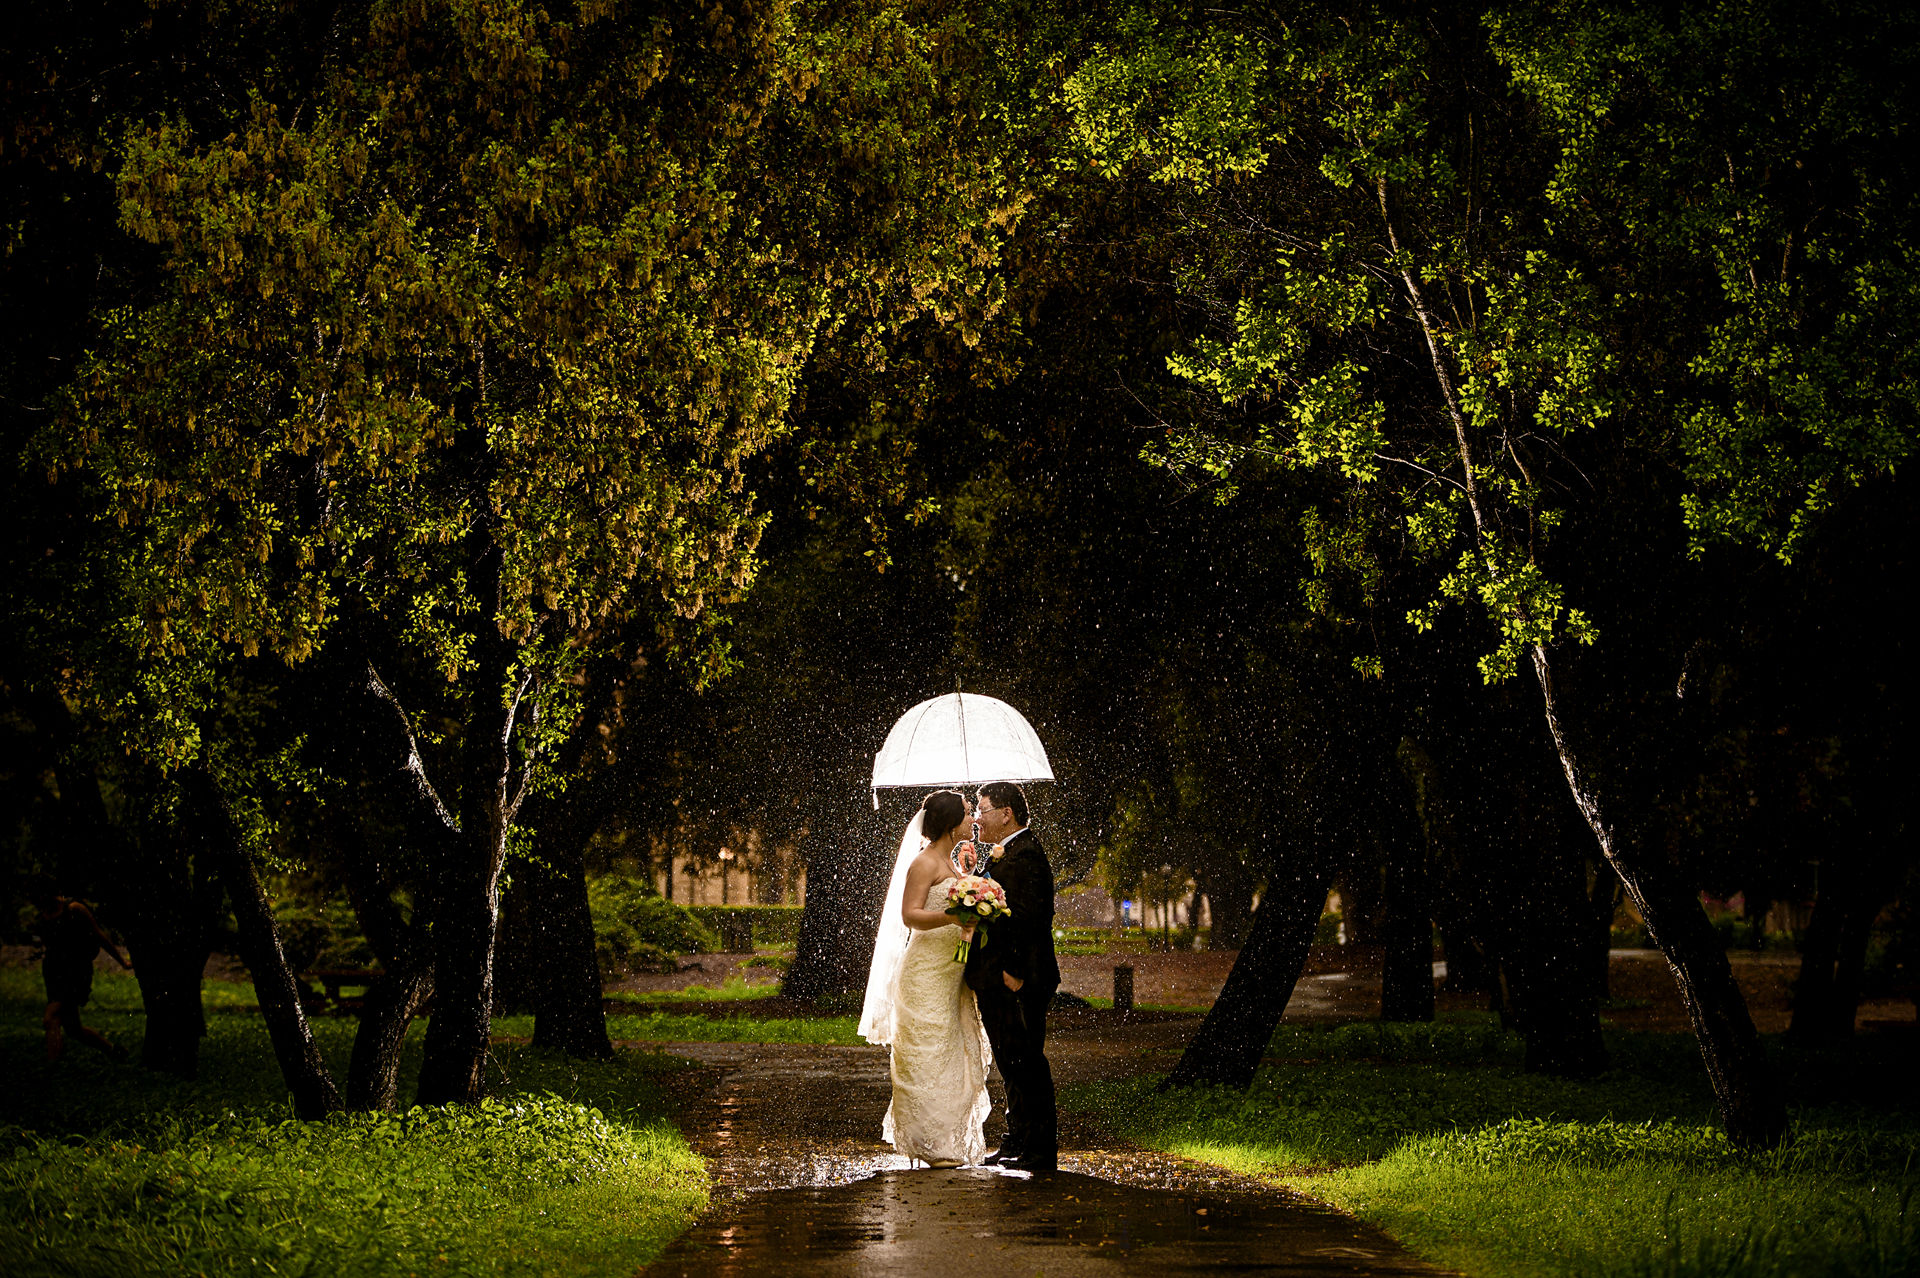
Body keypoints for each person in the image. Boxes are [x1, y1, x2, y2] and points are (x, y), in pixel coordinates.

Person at [858, 789, 994, 1167]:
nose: (973, 821)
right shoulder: (923, 864)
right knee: (926, 1054)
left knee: (952, 1052)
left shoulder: (952, 864)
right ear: (952, 825)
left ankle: (945, 1138)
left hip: (951, 974)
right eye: (968, 815)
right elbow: (910, 915)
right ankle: (929, 1143)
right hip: (924, 974)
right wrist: (953, 918)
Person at [965, 781, 1061, 1171]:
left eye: (982, 809)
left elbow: (1029, 919)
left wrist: (1014, 974)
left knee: (1027, 1063)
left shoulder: (1027, 855)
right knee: (1011, 1064)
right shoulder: (1007, 853)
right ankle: (1017, 1139)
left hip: (1018, 980)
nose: (976, 817)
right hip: (998, 979)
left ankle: (1039, 1151)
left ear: (1006, 814)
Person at [30, 885, 132, 1063]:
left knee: (51, 1017)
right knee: (73, 1030)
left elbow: (98, 935)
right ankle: (113, 1051)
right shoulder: (44, 914)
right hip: (54, 973)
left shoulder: (74, 909)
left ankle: (52, 1069)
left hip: (75, 972)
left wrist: (121, 961)